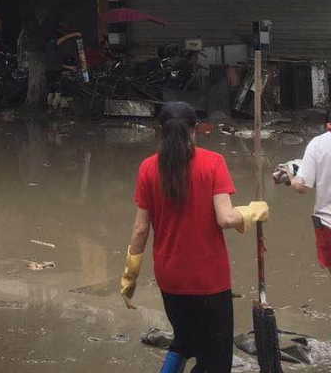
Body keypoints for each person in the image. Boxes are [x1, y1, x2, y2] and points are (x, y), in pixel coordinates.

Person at [119, 102, 269, 373]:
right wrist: (252, 212)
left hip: (170, 278)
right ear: (195, 129)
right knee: (216, 363)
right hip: (208, 280)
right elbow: (225, 218)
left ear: (160, 130)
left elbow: (141, 229)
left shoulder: (147, 168)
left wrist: (130, 275)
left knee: (185, 339)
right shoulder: (213, 162)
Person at [274, 109, 331, 275]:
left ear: (328, 125)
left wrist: (291, 175)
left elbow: (301, 187)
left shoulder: (318, 144)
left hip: (327, 224)